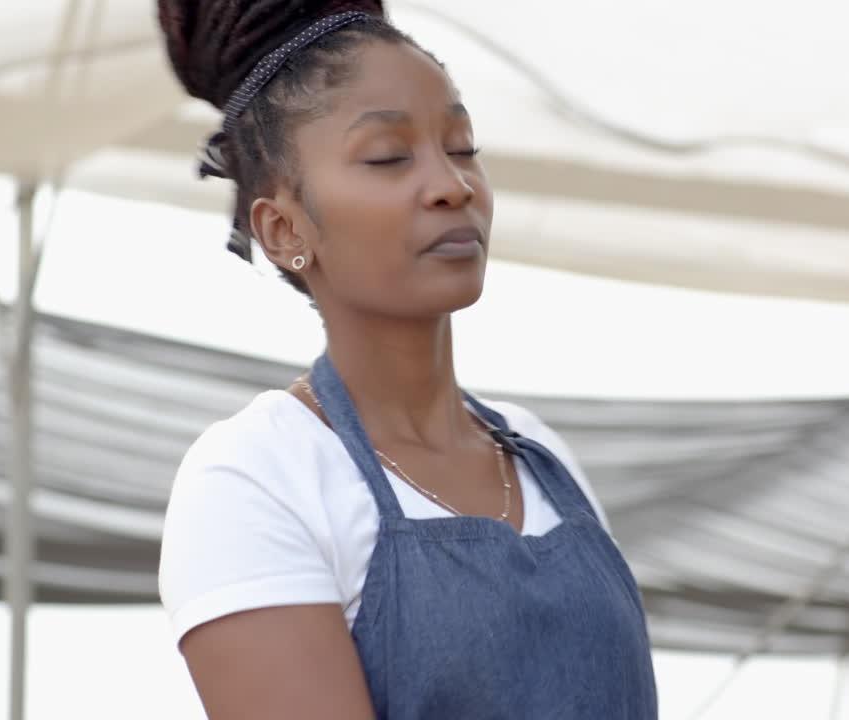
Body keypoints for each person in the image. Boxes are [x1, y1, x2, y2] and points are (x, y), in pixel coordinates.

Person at [154, 2, 659, 717]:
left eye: (462, 146)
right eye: (390, 157)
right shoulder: (258, 477)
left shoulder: (542, 457)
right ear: (284, 229)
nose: (454, 185)